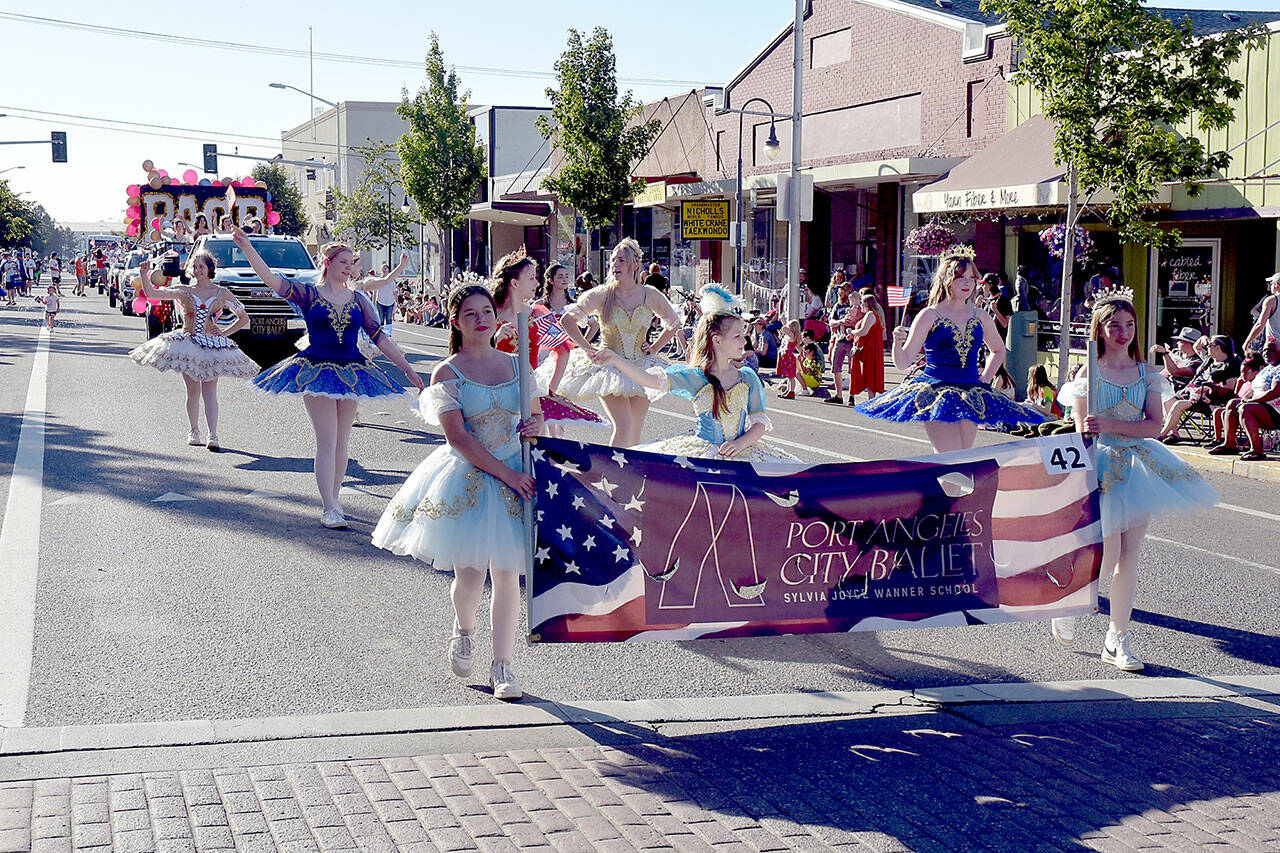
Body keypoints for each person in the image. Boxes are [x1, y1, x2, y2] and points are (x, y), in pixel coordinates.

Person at [371, 285, 541, 702]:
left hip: (518, 477)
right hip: (473, 477)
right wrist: (504, 472)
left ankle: (503, 665)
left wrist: (536, 429)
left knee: (507, 575)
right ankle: (464, 628)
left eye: (486, 311)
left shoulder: (519, 366)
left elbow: (537, 416)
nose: (481, 319)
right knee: (469, 577)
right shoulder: (447, 373)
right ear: (456, 322)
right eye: (470, 314)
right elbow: (459, 439)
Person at [1049, 293, 1218, 668]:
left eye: (1129, 325)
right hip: (1101, 468)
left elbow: (1154, 426)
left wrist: (1111, 423)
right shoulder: (1087, 372)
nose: (1123, 332)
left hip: (1139, 467)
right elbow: (1082, 431)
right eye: (1114, 326)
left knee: (1130, 556)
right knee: (1105, 555)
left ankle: (1117, 639)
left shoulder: (1148, 374)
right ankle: (1072, 603)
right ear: (1100, 329)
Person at [234, 230, 426, 528]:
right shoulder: (309, 294)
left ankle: (335, 501)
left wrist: (407, 370)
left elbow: (380, 339)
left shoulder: (359, 299)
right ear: (328, 262)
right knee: (327, 440)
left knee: (343, 441)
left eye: (352, 262)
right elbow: (270, 279)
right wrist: (247, 247)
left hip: (351, 370)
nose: (349, 267)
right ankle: (328, 507)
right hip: (316, 369)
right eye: (343, 262)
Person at [855, 246, 1044, 452]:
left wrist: (987, 377)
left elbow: (999, 349)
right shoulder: (929, 315)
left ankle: (939, 484)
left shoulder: (981, 316)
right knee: (950, 459)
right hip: (936, 394)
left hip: (972, 392)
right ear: (946, 281)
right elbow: (903, 362)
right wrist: (897, 343)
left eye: (971, 278)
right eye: (960, 277)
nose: (967, 282)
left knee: (961, 459)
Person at [593, 286, 797, 463]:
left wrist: (740, 443)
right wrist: (615, 360)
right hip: (704, 453)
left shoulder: (747, 377)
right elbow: (649, 380)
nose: (744, 341)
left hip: (741, 452)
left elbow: (759, 423)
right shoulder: (695, 377)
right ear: (717, 340)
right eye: (737, 336)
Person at [548, 238, 682, 447]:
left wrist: (654, 348)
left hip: (641, 367)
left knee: (636, 429)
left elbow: (674, 323)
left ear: (634, 264)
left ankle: (631, 477)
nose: (614, 265)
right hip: (610, 369)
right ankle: (613, 474)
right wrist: (586, 347)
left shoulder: (650, 294)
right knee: (624, 425)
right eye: (613, 260)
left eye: (620, 260)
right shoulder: (603, 294)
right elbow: (567, 320)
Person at [128, 250, 260, 450]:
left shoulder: (221, 293)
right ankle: (194, 430)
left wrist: (224, 333)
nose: (198, 271)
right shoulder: (184, 291)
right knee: (192, 391)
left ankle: (213, 435)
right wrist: (144, 275)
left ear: (209, 269)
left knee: (210, 391)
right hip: (188, 344)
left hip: (210, 346)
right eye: (195, 267)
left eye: (201, 267)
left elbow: (244, 317)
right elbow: (154, 294)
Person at [489, 249, 602, 432]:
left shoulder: (538, 315)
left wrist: (548, 389)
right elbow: (470, 351)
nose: (536, 283)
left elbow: (563, 348)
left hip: (520, 395)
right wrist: (494, 340)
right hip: (498, 392)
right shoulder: (489, 314)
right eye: (532, 278)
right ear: (515, 283)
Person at [1156, 335, 1239, 443]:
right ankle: (1174, 434)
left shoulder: (1229, 365)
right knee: (1168, 401)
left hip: (1208, 398)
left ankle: (1161, 435)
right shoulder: (1209, 359)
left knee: (1178, 404)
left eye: (1209, 345)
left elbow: (1229, 387)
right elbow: (1197, 346)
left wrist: (1206, 388)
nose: (1206, 347)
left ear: (1218, 348)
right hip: (1192, 391)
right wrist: (1204, 338)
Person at [354, 252, 410, 328]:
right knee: (380, 320)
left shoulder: (366, 283)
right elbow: (375, 292)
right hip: (380, 302)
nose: (361, 268)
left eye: (386, 268)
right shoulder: (353, 286)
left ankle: (387, 335)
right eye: (358, 264)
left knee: (388, 320)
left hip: (389, 302)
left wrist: (401, 266)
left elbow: (387, 281)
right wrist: (373, 303)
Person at [848, 292, 886, 405]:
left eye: (862, 303)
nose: (860, 306)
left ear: (866, 304)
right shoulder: (872, 315)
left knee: (869, 372)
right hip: (868, 348)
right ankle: (871, 399)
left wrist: (852, 331)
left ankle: (871, 400)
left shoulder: (871, 315)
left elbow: (863, 331)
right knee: (869, 372)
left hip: (870, 349)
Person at [825, 286, 861, 405]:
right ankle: (839, 395)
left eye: (844, 291)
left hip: (852, 340)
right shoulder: (838, 306)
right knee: (836, 367)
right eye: (840, 291)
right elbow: (831, 322)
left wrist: (853, 322)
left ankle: (852, 396)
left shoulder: (858, 307)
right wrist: (840, 322)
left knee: (852, 369)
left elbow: (862, 320)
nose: (842, 293)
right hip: (840, 339)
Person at [1243, 272, 1280, 352]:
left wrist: (1247, 342)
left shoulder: (1272, 300)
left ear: (1276, 284)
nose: (1270, 286)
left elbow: (1260, 324)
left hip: (1275, 348)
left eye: (1271, 283)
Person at [775, 319, 801, 400]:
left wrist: (783, 320)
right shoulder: (794, 336)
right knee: (789, 377)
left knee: (791, 376)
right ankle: (788, 390)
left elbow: (784, 328)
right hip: (787, 356)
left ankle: (791, 391)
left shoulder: (792, 335)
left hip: (788, 357)